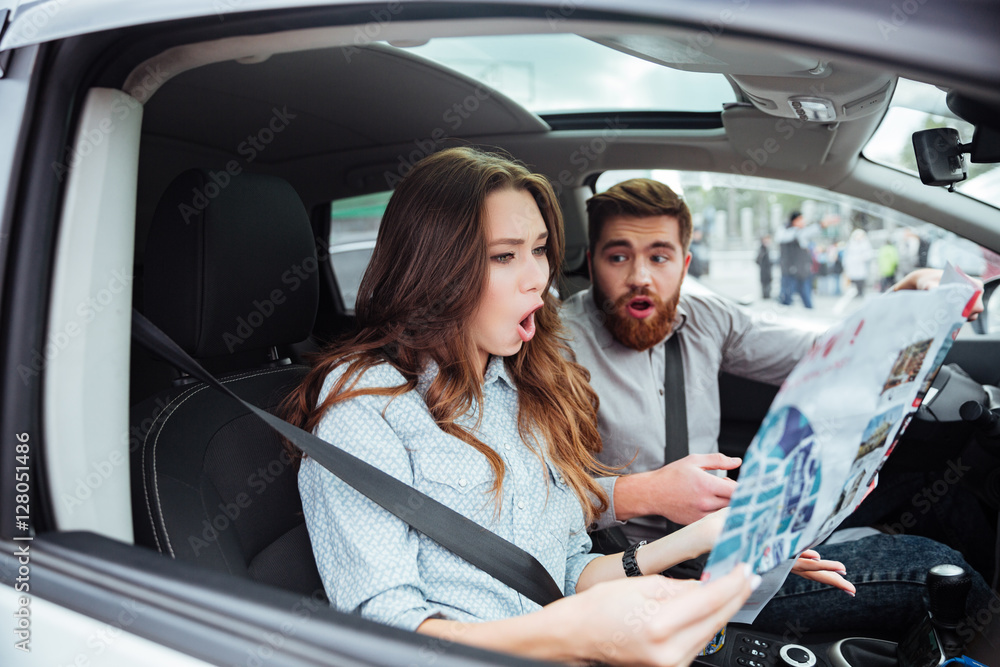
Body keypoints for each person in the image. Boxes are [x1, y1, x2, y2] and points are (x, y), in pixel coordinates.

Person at [283, 148, 848, 665]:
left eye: (538, 251)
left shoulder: (519, 386)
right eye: (504, 257)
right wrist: (571, 634)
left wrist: (710, 535)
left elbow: (572, 572)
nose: (539, 279)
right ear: (435, 270)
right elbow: (384, 635)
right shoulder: (364, 410)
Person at [560, 178, 992, 638]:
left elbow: (831, 352)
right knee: (936, 569)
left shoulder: (706, 316)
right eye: (618, 256)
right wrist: (645, 492)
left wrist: (909, 293)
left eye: (659, 257)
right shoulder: (558, 351)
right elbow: (534, 502)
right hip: (655, 574)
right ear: (591, 262)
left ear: (684, 265)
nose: (640, 276)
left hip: (733, 530)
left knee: (934, 481)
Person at [776, 211, 817, 308]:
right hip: (790, 270)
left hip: (802, 271)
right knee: (787, 296)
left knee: (806, 295)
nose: (803, 222)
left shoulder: (800, 233)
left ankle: (809, 312)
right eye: (800, 219)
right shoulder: (786, 233)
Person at [843, 228, 873, 297]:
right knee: (854, 279)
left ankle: (860, 291)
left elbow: (869, 254)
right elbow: (847, 255)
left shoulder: (865, 243)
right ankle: (855, 291)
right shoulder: (851, 243)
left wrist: (863, 258)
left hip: (861, 265)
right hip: (853, 265)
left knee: (861, 279)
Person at [755, 235, 773, 299]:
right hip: (764, 270)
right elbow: (757, 260)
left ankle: (767, 295)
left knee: (768, 282)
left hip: (768, 270)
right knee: (765, 283)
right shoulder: (762, 249)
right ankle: (765, 296)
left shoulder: (767, 249)